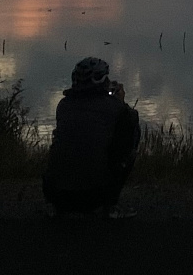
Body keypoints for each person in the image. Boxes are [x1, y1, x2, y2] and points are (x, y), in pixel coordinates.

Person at [43, 57, 141, 218]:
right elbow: (130, 134)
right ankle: (110, 207)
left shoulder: (63, 105)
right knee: (129, 150)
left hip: (56, 194)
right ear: (101, 80)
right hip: (94, 197)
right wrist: (121, 102)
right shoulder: (115, 107)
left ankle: (61, 207)